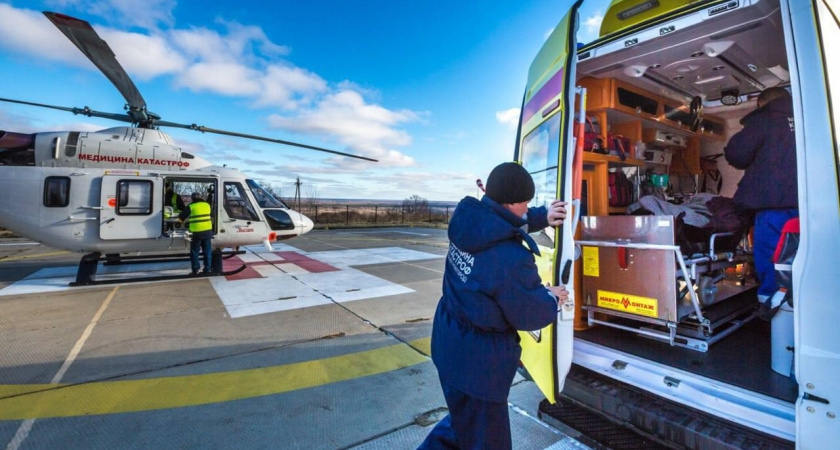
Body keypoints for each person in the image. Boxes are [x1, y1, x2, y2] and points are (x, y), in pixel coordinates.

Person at [419, 162, 569, 450]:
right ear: (509, 203)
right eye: (525, 202)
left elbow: (505, 224)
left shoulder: (469, 222)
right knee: (487, 440)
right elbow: (531, 313)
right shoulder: (509, 257)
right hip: (478, 366)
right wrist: (551, 297)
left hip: (450, 345)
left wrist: (544, 217)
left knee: (462, 424)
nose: (528, 207)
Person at [724, 87, 798, 304]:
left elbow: (737, 154)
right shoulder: (810, 119)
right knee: (802, 256)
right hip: (809, 206)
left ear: (761, 103)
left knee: (772, 257)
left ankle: (773, 307)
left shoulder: (765, 118)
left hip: (772, 206)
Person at [179, 192, 214, 275]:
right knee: (207, 251)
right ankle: (208, 269)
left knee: (195, 252)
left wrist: (179, 221)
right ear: (201, 197)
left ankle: (196, 270)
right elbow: (212, 214)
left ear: (192, 198)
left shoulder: (191, 206)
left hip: (197, 233)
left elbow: (181, 216)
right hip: (208, 231)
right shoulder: (207, 205)